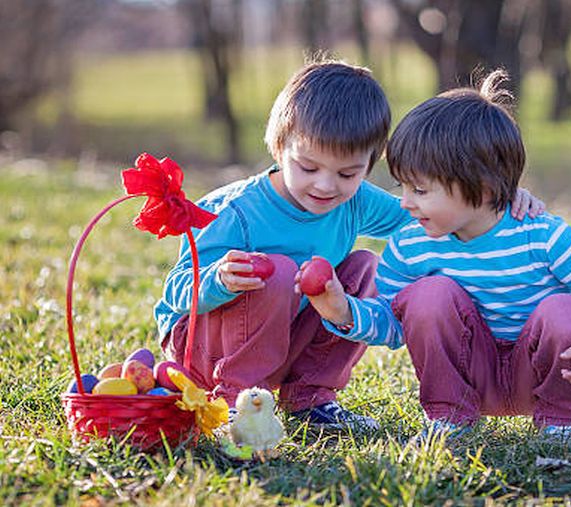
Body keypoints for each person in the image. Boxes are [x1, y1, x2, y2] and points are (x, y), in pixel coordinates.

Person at [155, 60, 543, 431]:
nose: (325, 185)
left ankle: (310, 397)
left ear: (369, 163)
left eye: (347, 173)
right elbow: (175, 295)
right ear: (279, 146)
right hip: (204, 351)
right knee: (279, 271)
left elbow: (430, 218)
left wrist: (497, 206)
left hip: (279, 341)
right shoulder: (234, 211)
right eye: (308, 167)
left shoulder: (353, 200)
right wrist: (218, 280)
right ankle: (237, 406)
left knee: (364, 268)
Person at [306, 70, 571, 439]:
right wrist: (344, 313)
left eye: (420, 190)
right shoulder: (409, 245)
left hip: (538, 374)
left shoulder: (541, 235)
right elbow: (394, 322)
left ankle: (562, 421)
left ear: (483, 188)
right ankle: (449, 417)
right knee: (428, 296)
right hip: (469, 375)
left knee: (563, 310)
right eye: (402, 186)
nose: (405, 203)